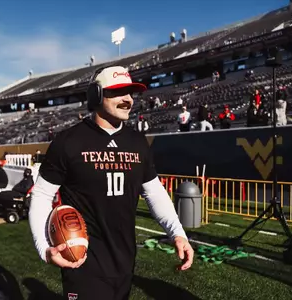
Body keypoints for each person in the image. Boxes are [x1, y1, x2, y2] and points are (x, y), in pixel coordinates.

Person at [28, 66, 194, 300]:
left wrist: (177, 234)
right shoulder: (68, 142)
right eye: (119, 92)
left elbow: (154, 192)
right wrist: (44, 248)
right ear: (96, 95)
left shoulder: (137, 142)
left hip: (125, 261)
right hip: (83, 262)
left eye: (131, 93)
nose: (128, 99)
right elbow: (42, 195)